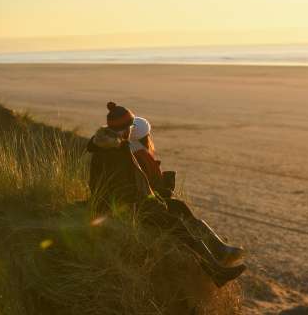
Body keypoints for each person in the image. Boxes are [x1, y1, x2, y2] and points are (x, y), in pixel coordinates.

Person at [87, 102, 245, 287]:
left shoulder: (111, 146)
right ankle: (215, 271)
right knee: (176, 225)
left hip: (123, 202)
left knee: (176, 207)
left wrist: (154, 199)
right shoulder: (114, 152)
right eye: (130, 126)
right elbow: (124, 191)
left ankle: (218, 255)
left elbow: (129, 185)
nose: (131, 130)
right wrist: (152, 205)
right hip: (119, 208)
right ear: (123, 129)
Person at [129, 116, 245, 266]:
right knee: (180, 214)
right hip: (144, 206)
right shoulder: (141, 155)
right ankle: (218, 255)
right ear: (146, 137)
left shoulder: (130, 149)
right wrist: (167, 185)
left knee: (180, 208)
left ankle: (220, 250)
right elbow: (151, 189)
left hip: (140, 203)